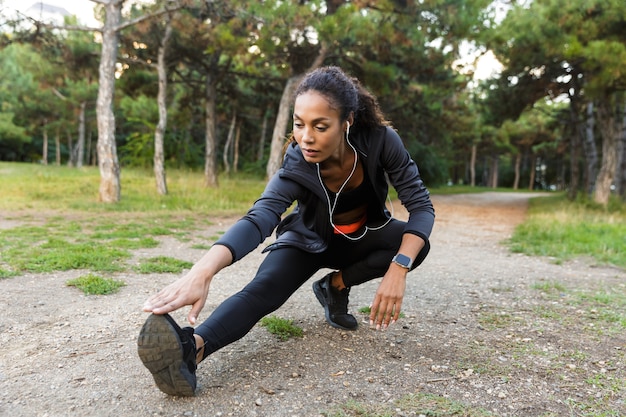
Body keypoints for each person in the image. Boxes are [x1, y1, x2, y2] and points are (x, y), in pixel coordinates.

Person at [138, 66, 435, 396]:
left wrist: (399, 267)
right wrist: (203, 270)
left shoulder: (380, 141)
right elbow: (259, 218)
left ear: (346, 122)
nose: (305, 137)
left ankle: (334, 286)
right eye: (299, 124)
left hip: (362, 236)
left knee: (414, 246)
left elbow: (421, 207)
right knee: (263, 289)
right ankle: (190, 350)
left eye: (320, 126)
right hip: (308, 242)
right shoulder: (296, 163)